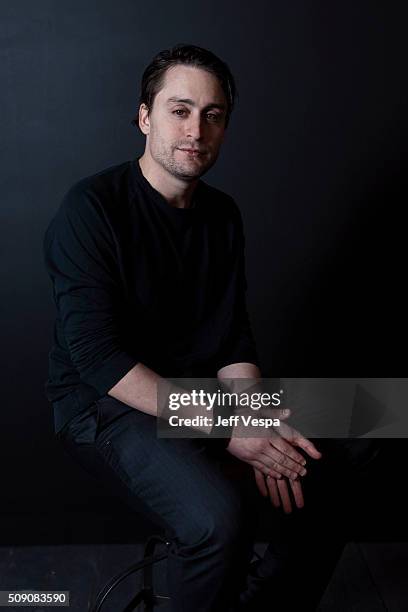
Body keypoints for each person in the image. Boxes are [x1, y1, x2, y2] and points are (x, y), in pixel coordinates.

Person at [43, 44, 381, 611]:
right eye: (179, 110)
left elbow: (231, 338)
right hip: (105, 407)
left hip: (202, 397)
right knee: (218, 519)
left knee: (373, 421)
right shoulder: (91, 209)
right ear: (145, 117)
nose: (196, 129)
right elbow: (101, 362)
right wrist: (233, 429)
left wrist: (255, 420)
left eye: (213, 114)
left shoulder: (222, 215)